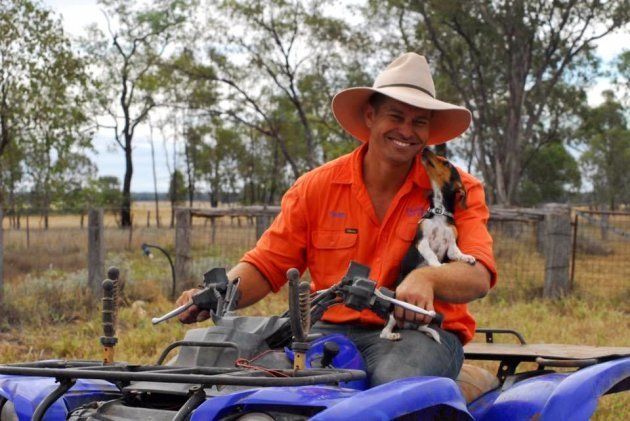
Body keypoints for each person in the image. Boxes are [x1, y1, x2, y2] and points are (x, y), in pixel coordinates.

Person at [177, 53, 497, 386]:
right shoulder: (317, 187)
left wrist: (429, 279)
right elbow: (267, 264)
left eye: (419, 122)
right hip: (324, 328)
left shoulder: (454, 190)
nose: (406, 130)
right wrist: (219, 292)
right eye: (396, 116)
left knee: (393, 388)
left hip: (419, 335)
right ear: (371, 116)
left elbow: (479, 275)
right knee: (213, 356)